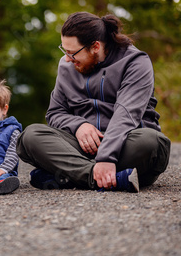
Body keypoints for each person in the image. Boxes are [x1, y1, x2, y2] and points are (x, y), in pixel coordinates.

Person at [17, 12, 171, 193]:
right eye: (64, 51)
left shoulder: (135, 62)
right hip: (83, 147)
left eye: (72, 53)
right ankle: (103, 178)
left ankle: (68, 175)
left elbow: (126, 115)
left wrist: (106, 157)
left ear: (95, 46)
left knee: (152, 142)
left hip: (126, 145)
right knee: (30, 136)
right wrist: (79, 125)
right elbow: (55, 113)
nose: (67, 59)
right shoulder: (67, 66)